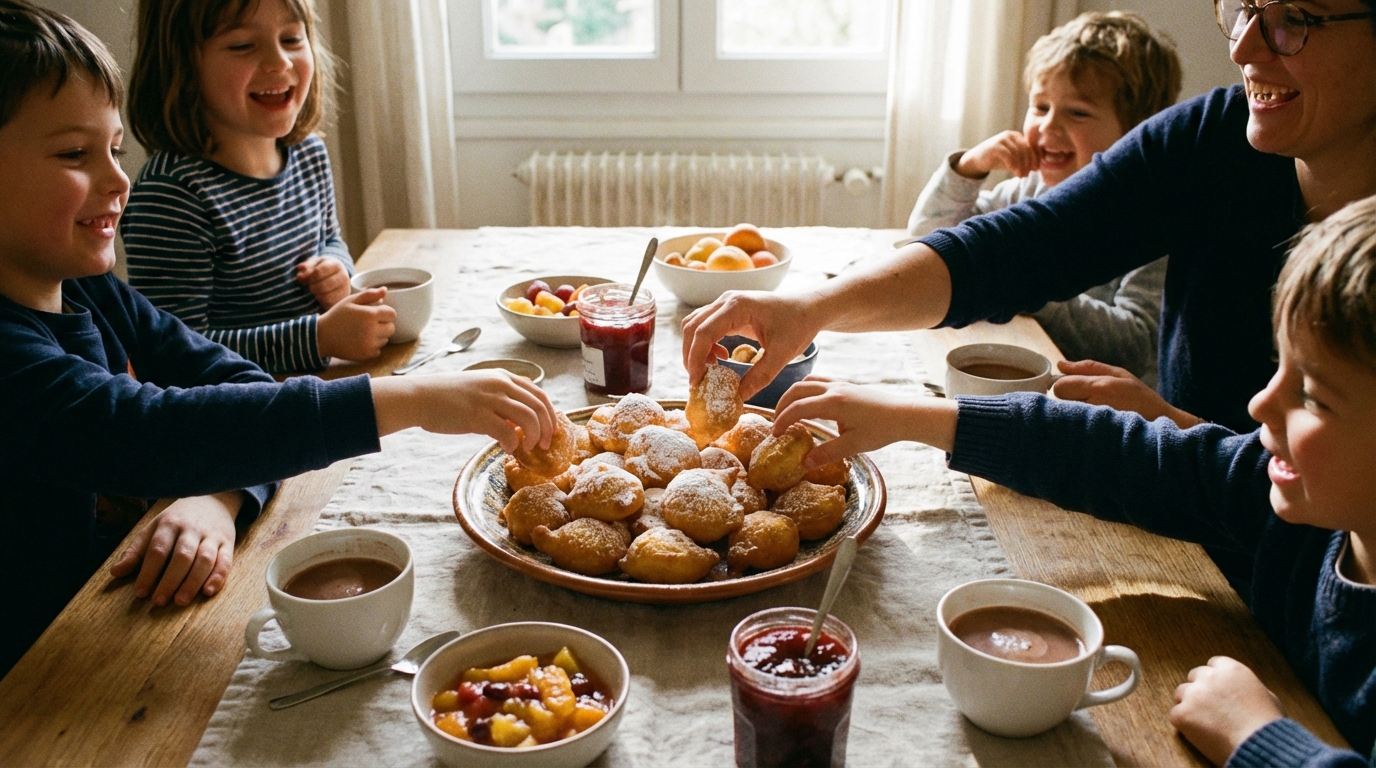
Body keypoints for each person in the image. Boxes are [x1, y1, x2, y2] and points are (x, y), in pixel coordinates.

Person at [0, 0, 559, 675]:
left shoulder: (90, 290)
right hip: (35, 673)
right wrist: (410, 401)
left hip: (114, 623)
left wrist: (219, 492)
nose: (119, 180)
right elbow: (145, 433)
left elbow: (241, 391)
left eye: (114, 149)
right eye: (73, 153)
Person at [771, 193, 1376, 766]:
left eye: (1314, 398)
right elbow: (1118, 456)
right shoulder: (1290, 500)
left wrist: (1257, 738)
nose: (1260, 405)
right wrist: (912, 418)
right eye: (1279, 370)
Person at [685, 0, 1376, 435]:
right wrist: (810, 308)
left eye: (1297, 20)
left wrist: (1182, 435)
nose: (1245, 47)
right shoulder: (1210, 140)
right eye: (1243, 5)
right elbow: (1014, 250)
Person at [908, 11, 1178, 391]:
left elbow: (1133, 345)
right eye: (1040, 107)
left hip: (1092, 410)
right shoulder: (1024, 191)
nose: (1048, 127)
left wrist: (1024, 285)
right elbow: (926, 244)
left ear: (1138, 133)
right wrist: (969, 169)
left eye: (1078, 113)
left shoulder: (1153, 222)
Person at [120, 0, 390, 374]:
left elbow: (330, 238)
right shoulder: (172, 194)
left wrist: (337, 268)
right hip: (240, 415)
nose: (279, 62)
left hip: (314, 386)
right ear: (181, 65)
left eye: (292, 38)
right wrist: (317, 338)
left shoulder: (308, 153)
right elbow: (173, 351)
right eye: (243, 45)